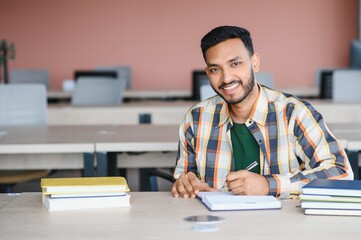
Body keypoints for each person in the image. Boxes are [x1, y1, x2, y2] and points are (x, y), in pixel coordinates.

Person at [172, 25, 353, 199]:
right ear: (207, 73)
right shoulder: (195, 119)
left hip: (283, 228)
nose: (226, 78)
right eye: (215, 69)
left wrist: (269, 185)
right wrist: (186, 184)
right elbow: (184, 179)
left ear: (255, 62)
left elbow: (341, 172)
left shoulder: (293, 113)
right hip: (217, 226)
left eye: (235, 64)